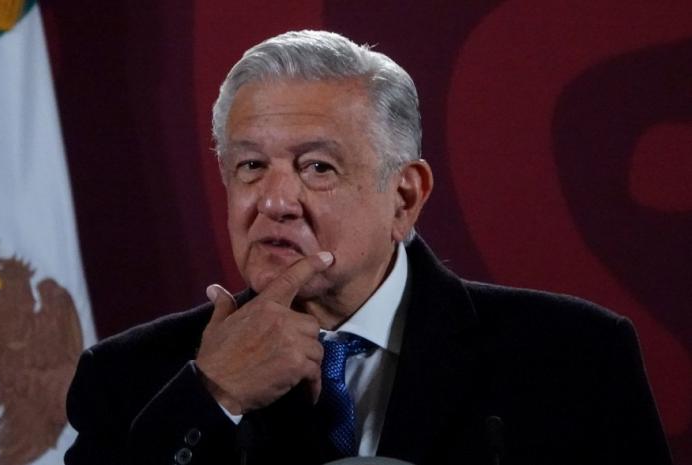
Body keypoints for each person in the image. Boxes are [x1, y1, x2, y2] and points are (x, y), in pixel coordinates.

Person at [64, 30, 671, 465]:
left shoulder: (575, 359)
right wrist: (212, 396)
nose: (274, 201)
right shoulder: (129, 378)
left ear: (404, 197)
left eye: (317, 167)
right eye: (251, 166)